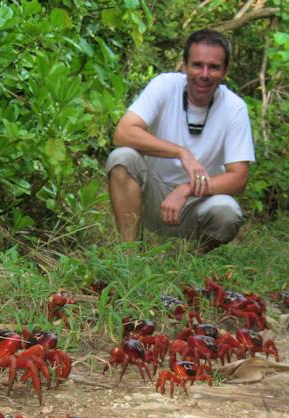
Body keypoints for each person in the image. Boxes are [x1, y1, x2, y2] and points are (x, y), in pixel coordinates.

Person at [106, 29, 255, 252]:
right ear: (184, 65)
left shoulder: (234, 108)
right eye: (197, 65)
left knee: (228, 212)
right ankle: (129, 256)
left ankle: (192, 260)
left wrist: (187, 188)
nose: (204, 74)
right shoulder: (164, 85)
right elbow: (123, 133)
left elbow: (239, 178)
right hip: (150, 196)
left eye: (213, 67)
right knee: (121, 158)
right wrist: (182, 153)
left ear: (225, 71)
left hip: (198, 203)